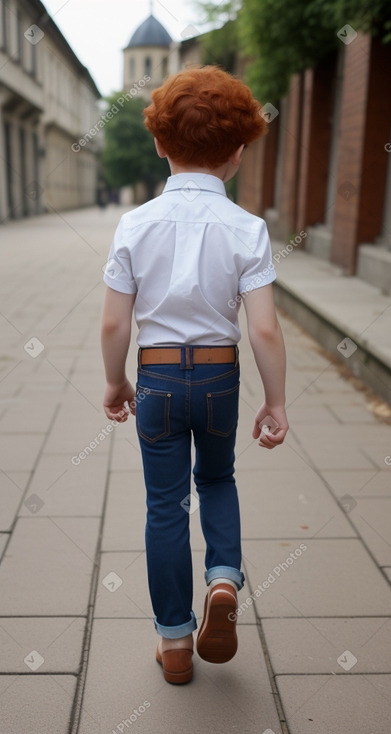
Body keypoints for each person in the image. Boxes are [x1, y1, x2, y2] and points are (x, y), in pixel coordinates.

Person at [101, 65, 289, 685]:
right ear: (238, 152)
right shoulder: (248, 229)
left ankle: (175, 643)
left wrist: (115, 382)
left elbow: (113, 325)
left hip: (154, 379)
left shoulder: (134, 225)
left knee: (163, 506)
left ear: (158, 143)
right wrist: (276, 402)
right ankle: (224, 579)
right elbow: (263, 328)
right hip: (217, 381)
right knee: (216, 479)